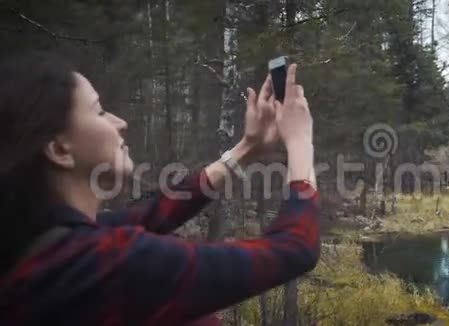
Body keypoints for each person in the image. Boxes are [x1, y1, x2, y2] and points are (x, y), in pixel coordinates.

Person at [0, 51, 320, 325]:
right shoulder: (100, 266)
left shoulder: (41, 244)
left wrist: (247, 149)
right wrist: (300, 142)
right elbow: (295, 248)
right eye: (99, 111)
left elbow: (157, 211)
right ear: (60, 150)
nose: (119, 122)